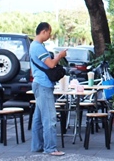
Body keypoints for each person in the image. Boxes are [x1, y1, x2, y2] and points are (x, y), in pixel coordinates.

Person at [29, 22, 67, 156]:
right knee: (49, 118)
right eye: (49, 32)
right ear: (44, 31)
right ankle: (50, 148)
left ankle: (37, 146)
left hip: (40, 83)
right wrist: (59, 56)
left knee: (38, 118)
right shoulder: (38, 47)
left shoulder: (34, 46)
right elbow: (51, 65)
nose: (50, 35)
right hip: (43, 85)